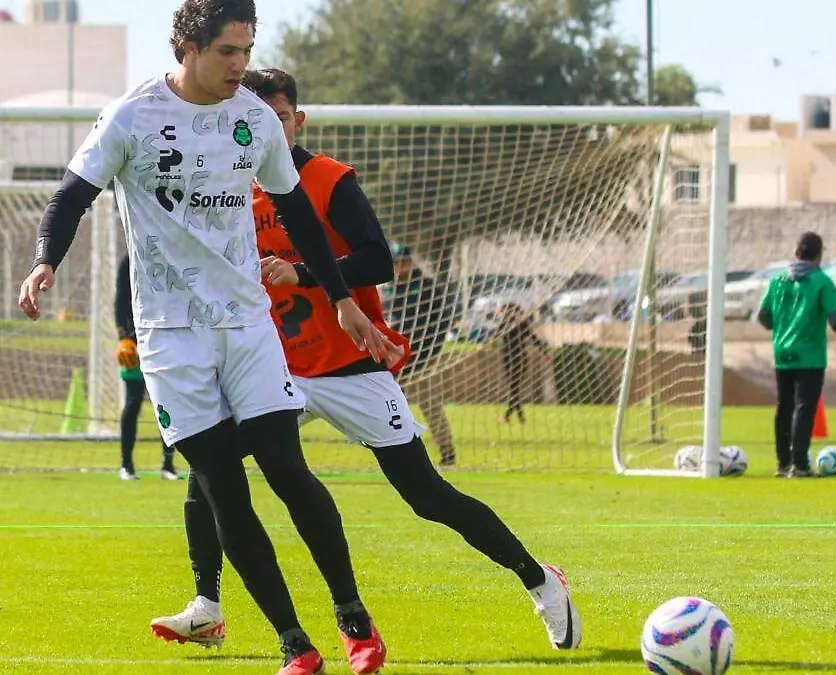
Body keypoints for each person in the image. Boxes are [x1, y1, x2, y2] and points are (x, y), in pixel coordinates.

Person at [15, 2, 397, 674]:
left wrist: (341, 299)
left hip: (246, 324)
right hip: (171, 337)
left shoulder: (254, 119)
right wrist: (46, 260)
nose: (241, 66)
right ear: (187, 48)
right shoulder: (132, 116)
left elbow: (297, 212)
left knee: (287, 468)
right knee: (223, 486)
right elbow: (70, 197)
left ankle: (353, 618)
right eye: (227, 51)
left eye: (247, 50)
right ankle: (295, 644)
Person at [150, 67, 582, 657]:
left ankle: (539, 579)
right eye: (252, 119)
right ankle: (207, 606)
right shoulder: (227, 188)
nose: (265, 130)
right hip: (272, 367)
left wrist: (303, 274)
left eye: (278, 118)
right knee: (210, 470)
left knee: (425, 494)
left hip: (349, 365)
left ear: (298, 121)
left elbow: (377, 259)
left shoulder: (327, 180)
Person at [757, 232, 836, 478]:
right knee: (804, 408)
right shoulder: (821, 281)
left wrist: (783, 326)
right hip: (810, 356)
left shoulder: (778, 280)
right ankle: (799, 465)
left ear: (796, 252)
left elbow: (763, 317)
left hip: (782, 353)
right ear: (819, 255)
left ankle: (782, 463)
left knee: (784, 407)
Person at [384, 243, 457, 465]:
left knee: (430, 403)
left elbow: (442, 322)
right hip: (394, 358)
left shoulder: (427, 287)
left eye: (404, 262)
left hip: (421, 357)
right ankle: (399, 451)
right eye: (397, 263)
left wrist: (429, 352)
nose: (401, 267)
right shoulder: (390, 287)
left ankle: (447, 451)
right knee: (391, 405)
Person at [115, 253, 180, 481]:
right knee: (133, 403)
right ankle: (126, 465)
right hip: (135, 344)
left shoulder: (168, 256)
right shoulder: (129, 260)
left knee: (167, 404)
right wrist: (123, 338)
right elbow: (120, 301)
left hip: (165, 342)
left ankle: (168, 464)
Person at [493, 302, 550, 424]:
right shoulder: (522, 324)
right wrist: (545, 353)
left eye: (503, 311)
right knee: (514, 389)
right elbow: (535, 339)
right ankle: (514, 417)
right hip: (521, 359)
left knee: (514, 389)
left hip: (511, 359)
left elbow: (495, 336)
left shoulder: (506, 324)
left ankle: (513, 417)